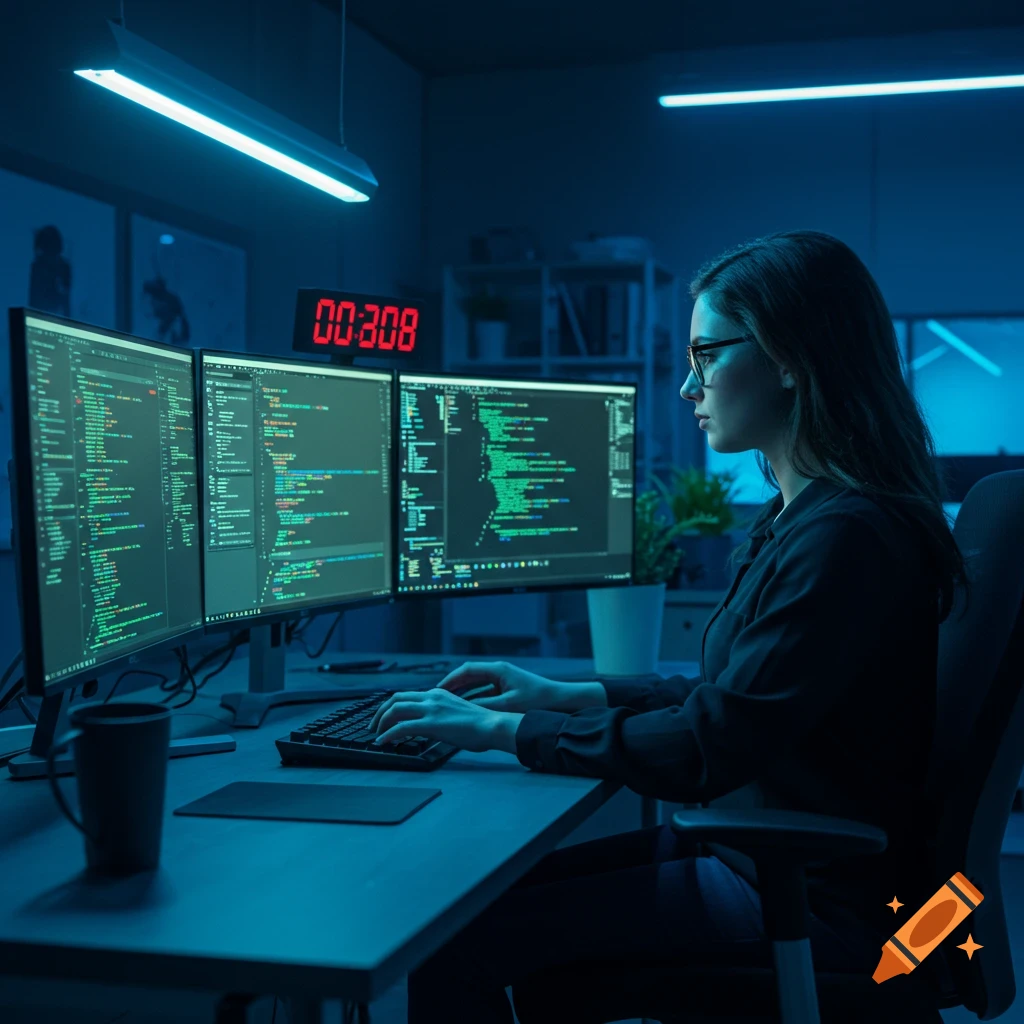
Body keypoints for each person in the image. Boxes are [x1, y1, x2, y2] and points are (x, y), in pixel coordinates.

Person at [369, 230, 969, 1024]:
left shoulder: (846, 536)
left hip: (807, 894)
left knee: (453, 938)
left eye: (707, 355)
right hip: (767, 857)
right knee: (465, 907)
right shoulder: (812, 516)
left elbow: (708, 743)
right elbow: (732, 698)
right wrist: (567, 692)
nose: (689, 385)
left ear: (788, 357)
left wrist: (502, 730)